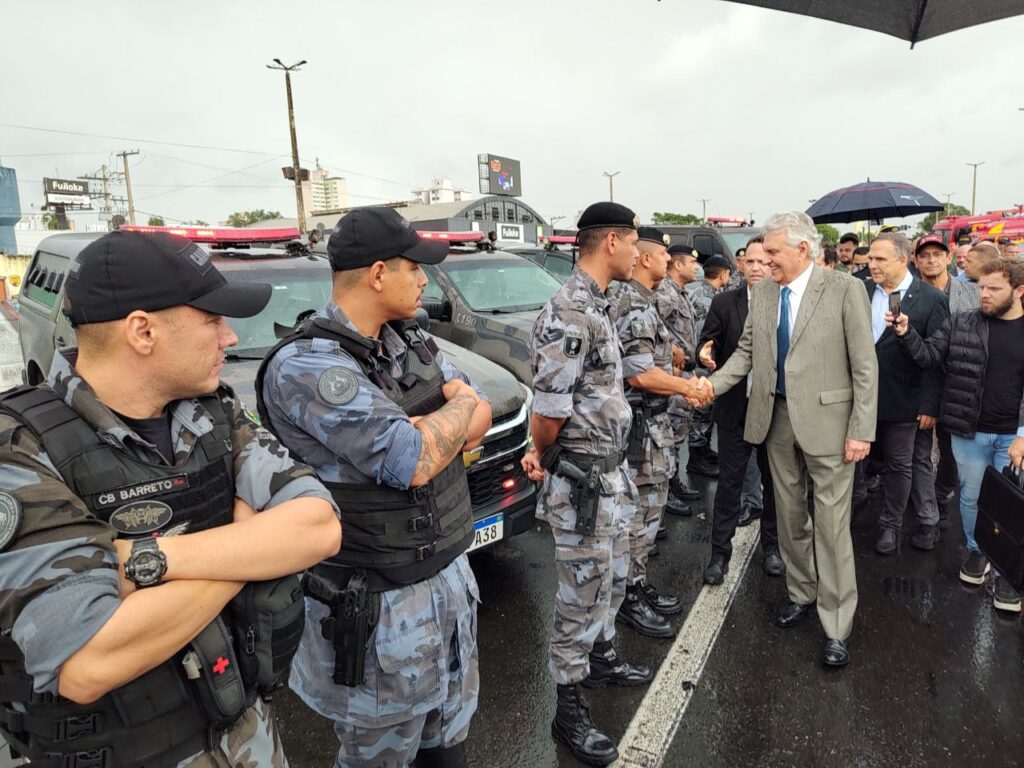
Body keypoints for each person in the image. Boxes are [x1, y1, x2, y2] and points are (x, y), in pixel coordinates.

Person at [0, 230, 342, 767]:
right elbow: (89, 659)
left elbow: (318, 526)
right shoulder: (20, 447)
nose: (229, 337)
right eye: (212, 319)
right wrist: (251, 549)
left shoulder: (213, 414)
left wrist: (146, 561)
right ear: (143, 331)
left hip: (246, 736)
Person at [258, 208, 492, 768]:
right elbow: (412, 460)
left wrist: (448, 416)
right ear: (379, 272)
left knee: (448, 753)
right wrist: (449, 414)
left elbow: (479, 407)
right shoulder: (307, 365)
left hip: (446, 591)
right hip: (380, 613)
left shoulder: (406, 338)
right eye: (415, 268)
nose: (424, 281)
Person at [700, 211, 878, 668]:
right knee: (791, 515)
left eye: (773, 252)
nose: (764, 261)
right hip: (775, 421)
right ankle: (802, 592)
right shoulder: (763, 295)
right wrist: (706, 387)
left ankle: (836, 623)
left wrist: (861, 428)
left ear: (802, 249)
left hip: (832, 427)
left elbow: (864, 366)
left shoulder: (844, 290)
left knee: (832, 525)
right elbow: (743, 355)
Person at [521, 202, 651, 767]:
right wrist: (543, 455)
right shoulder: (569, 312)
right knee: (580, 597)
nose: (640, 253)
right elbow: (548, 413)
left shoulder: (597, 306)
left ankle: (601, 659)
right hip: (582, 486)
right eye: (634, 243)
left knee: (613, 578)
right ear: (611, 243)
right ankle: (568, 708)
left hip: (610, 475)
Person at [890, 258, 1024, 613]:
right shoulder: (963, 321)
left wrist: (1023, 434)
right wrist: (906, 333)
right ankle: (977, 552)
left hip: (1014, 436)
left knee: (1011, 506)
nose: (984, 294)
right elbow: (929, 356)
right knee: (971, 498)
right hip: (967, 431)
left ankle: (1009, 578)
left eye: (994, 288)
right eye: (982, 287)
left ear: (1019, 291)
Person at [612, 227, 706, 640]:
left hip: (656, 426)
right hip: (641, 432)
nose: (669, 260)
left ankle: (637, 581)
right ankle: (627, 594)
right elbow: (641, 375)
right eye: (663, 254)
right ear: (646, 259)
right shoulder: (631, 302)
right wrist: (688, 387)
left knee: (650, 515)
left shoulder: (646, 301)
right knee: (639, 517)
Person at [696, 235, 783, 583]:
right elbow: (708, 340)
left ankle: (772, 548)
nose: (758, 267)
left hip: (775, 412)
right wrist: (705, 352)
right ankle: (720, 554)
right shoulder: (724, 302)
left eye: (765, 262)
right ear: (742, 264)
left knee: (774, 485)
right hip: (734, 410)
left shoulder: (784, 303)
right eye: (751, 261)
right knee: (729, 486)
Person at [862, 233, 949, 555]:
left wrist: (930, 405)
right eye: (870, 258)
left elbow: (936, 360)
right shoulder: (859, 289)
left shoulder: (931, 299)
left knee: (900, 465)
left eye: (880, 259)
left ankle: (890, 525)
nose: (872, 265)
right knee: (856, 460)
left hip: (905, 400)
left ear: (903, 259)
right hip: (861, 398)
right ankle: (855, 508)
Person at [912, 235, 981, 523]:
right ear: (915, 261)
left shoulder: (971, 293)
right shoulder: (909, 295)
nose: (931, 260)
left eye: (936, 254)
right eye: (924, 255)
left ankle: (942, 493)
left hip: (958, 386)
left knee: (952, 449)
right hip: (920, 385)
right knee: (919, 450)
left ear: (948, 258)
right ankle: (923, 503)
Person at [656, 244, 702, 516]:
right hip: (670, 375)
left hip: (683, 372)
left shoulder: (680, 293)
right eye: (692, 263)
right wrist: (673, 356)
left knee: (679, 432)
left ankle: (672, 482)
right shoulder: (665, 293)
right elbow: (656, 329)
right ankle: (666, 491)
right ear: (677, 264)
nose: (696, 267)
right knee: (669, 438)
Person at [686, 255, 734, 478]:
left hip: (697, 360)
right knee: (702, 412)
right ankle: (697, 458)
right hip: (703, 362)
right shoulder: (708, 298)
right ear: (723, 274)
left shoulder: (697, 290)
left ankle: (703, 451)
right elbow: (705, 338)